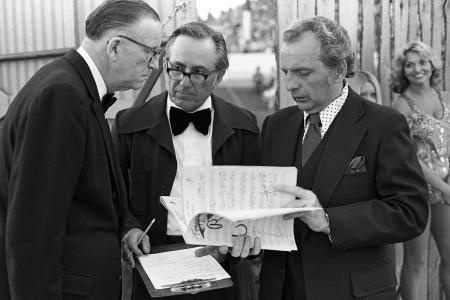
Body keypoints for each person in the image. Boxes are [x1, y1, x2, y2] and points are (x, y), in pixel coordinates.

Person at [0, 0, 162, 299]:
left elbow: (85, 196)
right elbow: (33, 232)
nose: (154, 64)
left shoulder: (71, 86)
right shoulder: (62, 95)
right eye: (151, 52)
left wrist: (122, 229)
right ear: (115, 47)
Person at [258, 16, 429, 300]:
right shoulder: (275, 125)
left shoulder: (384, 125)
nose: (290, 85)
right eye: (286, 71)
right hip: (280, 290)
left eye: (302, 73)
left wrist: (328, 220)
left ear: (338, 70)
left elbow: (410, 212)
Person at [112, 22, 261, 300]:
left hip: (224, 267)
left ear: (219, 76)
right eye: (176, 68)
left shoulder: (245, 127)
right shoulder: (128, 125)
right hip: (154, 266)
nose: (183, 80)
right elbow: (113, 194)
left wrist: (239, 237)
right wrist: (129, 228)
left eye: (198, 73)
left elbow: (254, 202)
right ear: (165, 63)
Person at [391, 41, 450, 300]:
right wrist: (443, 186)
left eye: (422, 62)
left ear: (432, 64)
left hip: (446, 190)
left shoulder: (444, 96)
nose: (417, 69)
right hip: (418, 191)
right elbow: (409, 156)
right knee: (416, 263)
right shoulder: (402, 106)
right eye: (409, 64)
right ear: (402, 70)